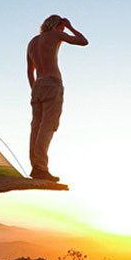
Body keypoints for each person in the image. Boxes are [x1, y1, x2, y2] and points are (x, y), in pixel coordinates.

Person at [26, 14, 88, 181]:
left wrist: (35, 89)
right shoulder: (56, 34)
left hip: (37, 85)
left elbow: (29, 71)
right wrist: (70, 27)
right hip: (52, 83)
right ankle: (41, 168)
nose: (62, 30)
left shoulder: (32, 42)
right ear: (58, 25)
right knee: (48, 125)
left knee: (36, 127)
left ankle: (36, 167)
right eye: (61, 27)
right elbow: (83, 41)